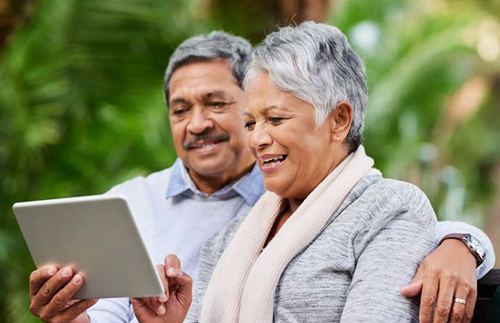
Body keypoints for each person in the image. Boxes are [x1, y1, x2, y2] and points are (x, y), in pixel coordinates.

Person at [27, 31, 495, 323]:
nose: (258, 139)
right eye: (252, 123)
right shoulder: (234, 236)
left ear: (338, 120)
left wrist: (464, 244)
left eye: (275, 118)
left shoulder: (387, 206)